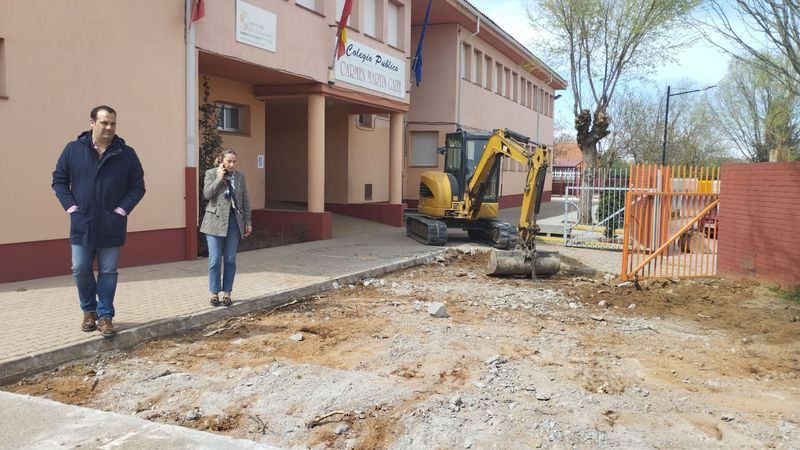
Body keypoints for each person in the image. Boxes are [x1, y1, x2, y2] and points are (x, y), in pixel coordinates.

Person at [52, 105, 146, 337]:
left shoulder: (126, 153)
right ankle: (89, 310)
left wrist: (121, 211)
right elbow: (59, 180)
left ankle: (105, 316)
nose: (109, 127)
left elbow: (137, 187)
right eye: (104, 122)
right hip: (82, 223)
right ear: (92, 123)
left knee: (108, 270)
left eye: (112, 123)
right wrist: (73, 208)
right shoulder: (74, 150)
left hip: (111, 223)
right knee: (80, 268)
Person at [200, 148, 252, 307]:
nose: (232, 164)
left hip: (234, 221)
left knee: (230, 259)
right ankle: (215, 293)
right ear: (222, 160)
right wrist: (219, 179)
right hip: (214, 221)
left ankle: (228, 293)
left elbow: (245, 201)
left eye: (234, 162)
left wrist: (247, 222)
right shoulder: (211, 173)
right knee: (215, 260)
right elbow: (207, 194)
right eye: (229, 161)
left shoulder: (240, 177)